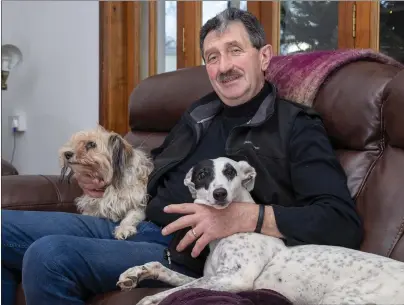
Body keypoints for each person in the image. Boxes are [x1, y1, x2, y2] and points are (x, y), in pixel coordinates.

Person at [2, 7, 363, 305]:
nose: (224, 66)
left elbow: (340, 221)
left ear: (264, 56)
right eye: (213, 57)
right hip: (132, 224)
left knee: (48, 257)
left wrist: (247, 215)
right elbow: (154, 168)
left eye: (235, 50)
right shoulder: (199, 114)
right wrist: (104, 177)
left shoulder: (296, 127)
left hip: (185, 253)